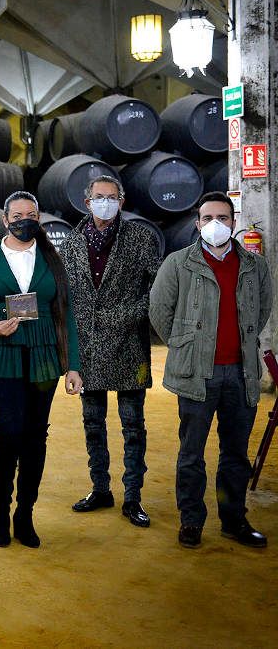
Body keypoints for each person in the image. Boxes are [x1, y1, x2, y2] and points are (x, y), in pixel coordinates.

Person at [0, 190, 82, 549]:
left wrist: (73, 365)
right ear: (5, 220)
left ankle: (24, 514)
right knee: (9, 434)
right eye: (17, 215)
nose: (24, 220)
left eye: (31, 214)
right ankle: (1, 511)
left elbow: (66, 315)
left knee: (35, 438)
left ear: (39, 219)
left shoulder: (51, 259)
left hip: (44, 357)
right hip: (1, 357)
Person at [149, 192, 272, 549]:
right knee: (192, 453)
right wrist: (185, 343)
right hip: (196, 374)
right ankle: (191, 520)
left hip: (240, 373)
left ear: (234, 222)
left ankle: (234, 520)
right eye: (208, 218)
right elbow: (159, 309)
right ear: (197, 223)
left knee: (235, 453)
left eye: (223, 217)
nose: (216, 224)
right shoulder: (178, 263)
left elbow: (261, 309)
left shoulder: (253, 266)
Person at [60, 176, 160, 528]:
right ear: (87, 202)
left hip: (130, 346)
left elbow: (158, 290)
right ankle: (100, 488)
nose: (106, 202)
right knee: (92, 424)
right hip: (87, 350)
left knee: (133, 426)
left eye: (112, 197)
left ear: (122, 201)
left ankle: (133, 497)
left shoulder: (141, 239)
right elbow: (65, 298)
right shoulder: (71, 244)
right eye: (99, 197)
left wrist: (125, 315)